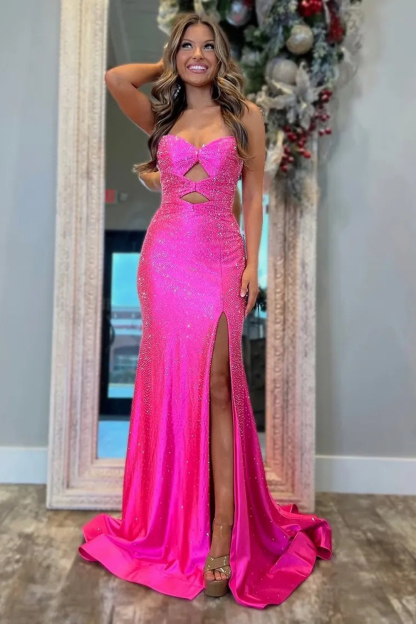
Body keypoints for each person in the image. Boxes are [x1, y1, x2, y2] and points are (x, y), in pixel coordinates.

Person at [78, 12, 332, 609]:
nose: (198, 54)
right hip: (165, 260)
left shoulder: (246, 117)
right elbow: (117, 78)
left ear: (222, 57)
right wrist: (168, 64)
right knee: (173, 386)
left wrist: (251, 266)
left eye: (208, 46)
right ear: (176, 54)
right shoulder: (163, 118)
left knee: (219, 386)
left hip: (219, 259)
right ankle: (174, 519)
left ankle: (223, 530)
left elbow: (254, 196)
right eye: (187, 46)